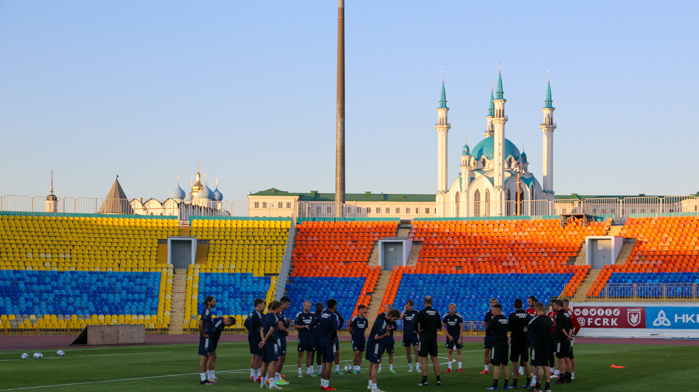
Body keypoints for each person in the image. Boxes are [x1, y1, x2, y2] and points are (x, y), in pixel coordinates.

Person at [366, 309, 400, 392]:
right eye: (394, 319)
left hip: (370, 342)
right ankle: (374, 388)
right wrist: (385, 334)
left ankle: (370, 384)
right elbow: (377, 337)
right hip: (375, 344)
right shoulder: (383, 322)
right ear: (391, 316)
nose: (394, 321)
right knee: (375, 366)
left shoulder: (381, 316)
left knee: (371, 364)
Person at [524, 302, 553, 392]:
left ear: (536, 310)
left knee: (537, 365)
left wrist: (532, 329)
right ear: (544, 309)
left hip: (537, 345)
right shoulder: (549, 319)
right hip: (547, 344)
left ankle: (538, 386)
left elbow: (525, 329)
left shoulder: (536, 319)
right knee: (546, 365)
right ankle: (548, 386)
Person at [414, 295, 442, 387]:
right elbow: (439, 326)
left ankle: (425, 380)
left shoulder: (422, 312)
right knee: (435, 359)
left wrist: (417, 331)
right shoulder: (436, 312)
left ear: (424, 303)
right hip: (433, 337)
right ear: (432, 303)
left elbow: (415, 322)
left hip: (424, 337)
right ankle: (438, 379)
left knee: (424, 359)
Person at [485, 304, 510, 391]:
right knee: (505, 365)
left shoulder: (495, 320)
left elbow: (488, 330)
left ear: (497, 311)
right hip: (505, 343)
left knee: (495, 365)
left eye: (493, 311)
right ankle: (506, 384)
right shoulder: (506, 319)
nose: (492, 312)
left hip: (497, 344)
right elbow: (508, 329)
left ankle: (495, 385)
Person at [259, 301, 284, 389]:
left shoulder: (266, 316)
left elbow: (262, 330)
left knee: (265, 363)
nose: (281, 310)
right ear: (276, 308)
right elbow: (271, 330)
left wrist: (263, 340)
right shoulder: (274, 317)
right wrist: (265, 340)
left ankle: (262, 383)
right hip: (272, 342)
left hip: (265, 342)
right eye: (280, 308)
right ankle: (272, 384)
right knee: (273, 362)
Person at [508, 299, 531, 389]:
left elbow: (509, 328)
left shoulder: (512, 316)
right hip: (525, 339)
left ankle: (515, 382)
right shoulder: (527, 315)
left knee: (514, 362)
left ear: (514, 306)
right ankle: (528, 382)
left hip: (515, 340)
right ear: (522, 305)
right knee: (526, 361)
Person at [318, 299, 340, 391]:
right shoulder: (333, 315)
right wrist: (333, 337)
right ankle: (326, 385)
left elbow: (312, 324)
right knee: (329, 363)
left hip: (322, 339)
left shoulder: (322, 314)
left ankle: (322, 384)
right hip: (329, 341)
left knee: (324, 363)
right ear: (334, 305)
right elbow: (335, 328)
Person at [207, 315, 235, 383]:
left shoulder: (222, 324)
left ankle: (213, 375)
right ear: (227, 320)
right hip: (210, 341)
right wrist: (211, 344)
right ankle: (209, 376)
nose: (228, 326)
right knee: (210, 357)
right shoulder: (219, 322)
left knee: (214, 357)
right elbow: (211, 331)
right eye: (229, 324)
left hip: (214, 342)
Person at [295, 300, 318, 377]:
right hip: (302, 337)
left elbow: (315, 325)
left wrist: (312, 327)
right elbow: (295, 326)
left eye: (309, 306)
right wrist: (304, 326)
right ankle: (299, 371)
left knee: (310, 354)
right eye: (307, 306)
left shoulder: (312, 315)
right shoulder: (299, 315)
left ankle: (308, 371)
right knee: (301, 354)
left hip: (310, 337)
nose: (308, 308)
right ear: (304, 306)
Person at [246, 298, 266, 382]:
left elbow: (246, 323)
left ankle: (254, 375)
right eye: (263, 304)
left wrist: (251, 330)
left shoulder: (251, 314)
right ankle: (256, 376)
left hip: (252, 336)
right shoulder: (257, 314)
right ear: (258, 305)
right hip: (257, 337)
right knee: (258, 357)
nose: (264, 306)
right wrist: (256, 331)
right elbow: (262, 325)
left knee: (255, 356)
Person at [198, 296, 217, 385]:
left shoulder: (208, 311)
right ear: (209, 302)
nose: (215, 303)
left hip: (208, 338)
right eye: (213, 301)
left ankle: (204, 379)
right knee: (204, 357)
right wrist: (204, 334)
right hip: (206, 338)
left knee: (207, 357)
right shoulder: (206, 311)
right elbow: (200, 323)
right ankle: (203, 379)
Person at [553, 300, 573, 385]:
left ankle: (562, 378)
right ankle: (569, 377)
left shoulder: (560, 314)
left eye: (554, 306)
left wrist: (566, 335)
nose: (553, 307)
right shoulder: (567, 314)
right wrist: (569, 336)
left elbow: (561, 327)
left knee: (561, 359)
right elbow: (571, 327)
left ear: (557, 305)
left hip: (561, 339)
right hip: (567, 340)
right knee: (567, 358)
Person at [441, 303, 464, 373]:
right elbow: (443, 326)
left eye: (452, 308)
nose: (451, 310)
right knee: (450, 351)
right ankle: (449, 368)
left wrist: (460, 338)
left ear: (455, 309)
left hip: (457, 335)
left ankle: (460, 368)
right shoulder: (446, 316)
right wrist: (449, 336)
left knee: (459, 351)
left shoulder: (458, 316)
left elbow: (461, 327)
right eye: (450, 308)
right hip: (450, 335)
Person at [275, 297, 292, 386]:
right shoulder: (279, 313)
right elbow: (281, 327)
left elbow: (284, 325)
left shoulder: (282, 313)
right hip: (279, 337)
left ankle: (278, 377)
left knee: (281, 357)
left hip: (281, 337)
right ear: (283, 303)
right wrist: (286, 331)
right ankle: (276, 377)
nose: (288, 306)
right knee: (281, 357)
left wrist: (288, 323)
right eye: (287, 304)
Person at [401, 300, 421, 373]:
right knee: (408, 351)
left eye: (410, 305)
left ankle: (417, 367)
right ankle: (411, 367)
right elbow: (400, 318)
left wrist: (417, 330)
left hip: (414, 334)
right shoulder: (405, 312)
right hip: (406, 334)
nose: (409, 307)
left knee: (416, 350)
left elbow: (420, 322)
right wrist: (404, 310)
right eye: (408, 305)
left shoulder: (416, 312)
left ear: (412, 306)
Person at [563, 299, 581, 380]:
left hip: (569, 337)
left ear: (566, 304)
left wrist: (572, 334)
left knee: (570, 355)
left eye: (562, 304)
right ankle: (567, 372)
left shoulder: (569, 313)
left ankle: (572, 373)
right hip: (566, 336)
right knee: (566, 355)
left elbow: (577, 325)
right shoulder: (565, 312)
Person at [349, 304, 369, 374]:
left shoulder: (365, 319)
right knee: (356, 353)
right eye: (362, 309)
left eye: (364, 309)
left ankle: (358, 368)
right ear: (359, 310)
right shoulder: (355, 318)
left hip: (362, 338)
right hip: (355, 338)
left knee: (360, 353)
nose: (364, 310)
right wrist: (354, 335)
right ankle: (355, 368)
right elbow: (350, 328)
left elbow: (365, 328)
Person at [377, 304, 396, 374]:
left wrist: (393, 328)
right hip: (382, 337)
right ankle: (379, 368)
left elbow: (395, 326)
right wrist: (385, 328)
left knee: (390, 353)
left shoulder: (392, 317)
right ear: (385, 308)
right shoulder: (381, 316)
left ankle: (391, 368)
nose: (389, 309)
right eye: (388, 308)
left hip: (390, 338)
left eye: (390, 308)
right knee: (381, 353)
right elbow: (378, 325)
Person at [482, 298, 499, 374]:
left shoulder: (498, 314)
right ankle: (486, 368)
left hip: (496, 336)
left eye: (493, 303)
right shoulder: (488, 314)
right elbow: (485, 324)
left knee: (495, 352)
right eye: (491, 303)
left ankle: (495, 367)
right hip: (488, 335)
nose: (492, 304)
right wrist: (489, 329)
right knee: (486, 351)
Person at [525, 296, 538, 385]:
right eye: (528, 302)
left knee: (535, 356)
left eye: (530, 302)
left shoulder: (538, 310)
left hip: (536, 335)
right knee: (528, 353)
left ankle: (535, 378)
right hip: (529, 334)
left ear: (534, 301)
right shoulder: (528, 310)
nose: (529, 304)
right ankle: (521, 369)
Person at [545, 301, 558, 379]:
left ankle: (558, 370)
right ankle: (552, 369)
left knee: (559, 353)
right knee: (550, 353)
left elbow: (558, 326)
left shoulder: (558, 314)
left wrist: (554, 319)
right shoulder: (549, 314)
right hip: (550, 335)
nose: (552, 307)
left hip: (556, 335)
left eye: (553, 305)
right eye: (552, 305)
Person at [312, 302, 325, 376]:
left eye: (322, 307)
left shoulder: (323, 315)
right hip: (314, 337)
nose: (321, 308)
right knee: (312, 354)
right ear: (316, 307)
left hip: (321, 337)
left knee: (320, 354)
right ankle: (311, 370)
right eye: (320, 306)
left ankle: (320, 370)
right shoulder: (313, 315)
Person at [334, 309, 345, 375]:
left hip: (334, 336)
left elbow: (342, 320)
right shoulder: (325, 313)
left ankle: (337, 369)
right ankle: (321, 369)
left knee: (337, 352)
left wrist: (338, 328)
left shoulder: (336, 313)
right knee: (325, 353)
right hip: (327, 336)